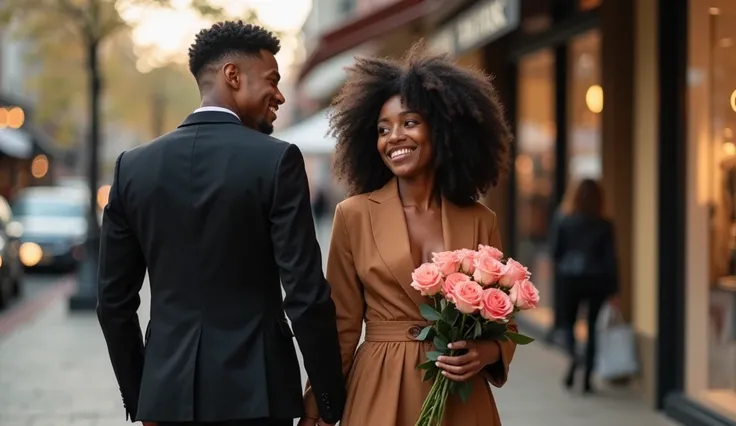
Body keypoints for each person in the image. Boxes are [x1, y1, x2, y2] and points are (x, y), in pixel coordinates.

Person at [96, 21, 346, 426]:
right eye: (272, 80)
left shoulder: (132, 168)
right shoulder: (277, 161)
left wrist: (143, 397)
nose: (280, 95)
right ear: (232, 75)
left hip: (166, 398)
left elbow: (112, 304)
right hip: (259, 396)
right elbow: (305, 296)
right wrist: (329, 398)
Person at [300, 44, 516, 426]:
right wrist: (319, 399)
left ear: (445, 128)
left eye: (409, 122)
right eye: (383, 129)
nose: (394, 137)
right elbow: (343, 324)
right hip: (379, 387)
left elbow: (505, 321)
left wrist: (486, 353)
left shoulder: (481, 218)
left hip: (458, 394)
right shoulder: (353, 215)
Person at [548, 178, 619, 394]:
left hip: (570, 279)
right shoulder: (604, 224)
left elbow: (555, 252)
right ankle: (587, 378)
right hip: (597, 280)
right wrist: (615, 289)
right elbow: (611, 260)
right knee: (592, 328)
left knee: (568, 324)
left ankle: (574, 356)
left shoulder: (564, 219)